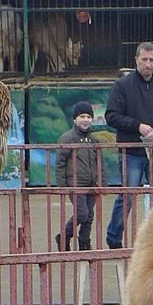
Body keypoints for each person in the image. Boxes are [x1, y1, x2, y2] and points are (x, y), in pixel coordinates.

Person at [104, 42, 153, 249]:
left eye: (152, 60)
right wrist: (138, 126)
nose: (148, 63)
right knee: (127, 195)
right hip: (132, 150)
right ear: (136, 60)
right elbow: (111, 116)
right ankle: (114, 237)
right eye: (144, 59)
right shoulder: (123, 85)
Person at [54, 101, 101, 251]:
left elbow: (100, 162)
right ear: (75, 119)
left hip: (92, 184)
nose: (85, 119)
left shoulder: (94, 140)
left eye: (88, 116)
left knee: (89, 216)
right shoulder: (67, 138)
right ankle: (64, 236)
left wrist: (102, 182)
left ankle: (85, 242)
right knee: (82, 213)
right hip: (75, 184)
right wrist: (62, 185)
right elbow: (60, 163)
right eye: (82, 116)